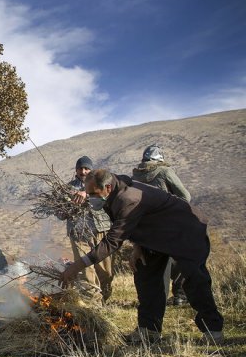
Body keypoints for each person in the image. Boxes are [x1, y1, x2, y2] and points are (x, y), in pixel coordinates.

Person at [61, 169, 224, 345]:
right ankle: (149, 330)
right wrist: (138, 246)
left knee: (194, 279)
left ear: (107, 187)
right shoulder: (112, 193)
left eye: (93, 193)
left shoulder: (127, 198)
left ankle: (213, 330)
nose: (90, 197)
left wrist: (76, 267)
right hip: (156, 235)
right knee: (145, 274)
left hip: (184, 231)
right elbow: (134, 222)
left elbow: (111, 242)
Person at [132, 145, 190, 306]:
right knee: (179, 260)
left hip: (145, 230)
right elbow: (185, 196)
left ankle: (154, 301)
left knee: (153, 265)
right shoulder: (165, 172)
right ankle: (179, 296)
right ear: (160, 159)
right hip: (167, 227)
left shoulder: (135, 177)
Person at [59, 156, 114, 303]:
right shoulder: (67, 189)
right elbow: (60, 214)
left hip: (101, 230)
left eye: (86, 168)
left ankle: (105, 298)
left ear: (91, 169)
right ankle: (93, 303)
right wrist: (69, 207)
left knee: (106, 271)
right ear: (76, 170)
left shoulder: (100, 184)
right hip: (79, 233)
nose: (83, 171)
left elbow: (108, 199)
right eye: (80, 168)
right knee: (86, 269)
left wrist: (87, 194)